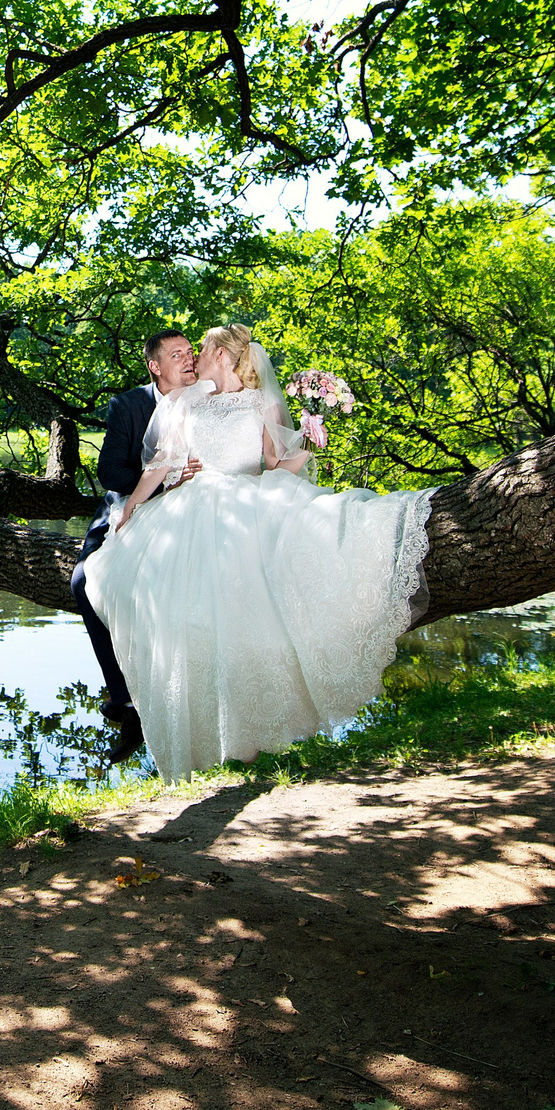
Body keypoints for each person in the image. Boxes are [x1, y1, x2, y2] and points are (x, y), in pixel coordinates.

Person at [82, 323, 436, 781]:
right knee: (180, 613)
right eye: (185, 353)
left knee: (251, 619)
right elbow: (162, 462)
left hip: (245, 504)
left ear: (224, 357)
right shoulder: (191, 402)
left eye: (202, 350)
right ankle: (181, 722)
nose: (195, 358)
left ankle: (252, 735)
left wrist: (308, 442)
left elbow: (276, 466)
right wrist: (129, 509)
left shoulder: (261, 403)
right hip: (191, 507)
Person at [74, 330, 200, 762]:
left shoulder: (211, 399)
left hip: (194, 515)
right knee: (82, 582)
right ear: (155, 366)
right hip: (130, 507)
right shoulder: (128, 405)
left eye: (190, 352)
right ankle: (127, 704)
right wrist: (165, 479)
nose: (188, 359)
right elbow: (110, 472)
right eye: (176, 354)